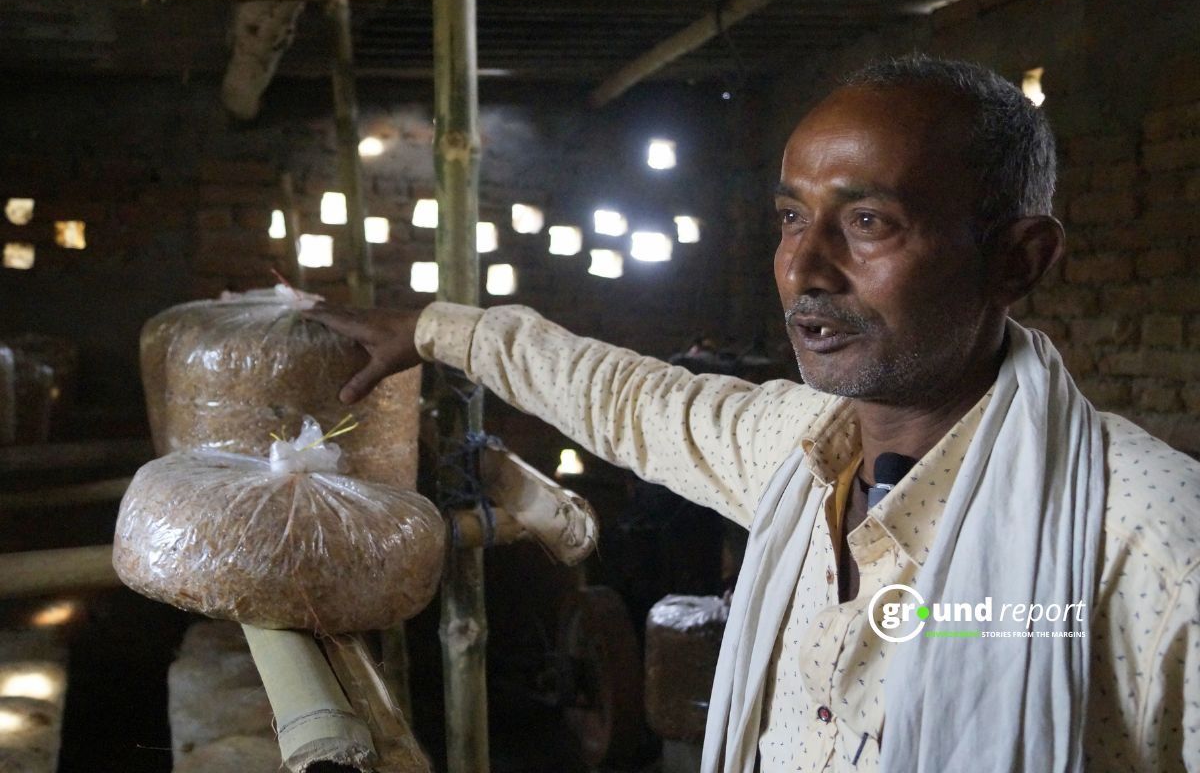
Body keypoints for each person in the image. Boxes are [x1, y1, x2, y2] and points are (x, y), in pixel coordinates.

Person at [307, 55, 1199, 772]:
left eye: (870, 222)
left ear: (1018, 259)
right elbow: (624, 395)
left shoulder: (1150, 542)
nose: (804, 269)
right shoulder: (800, 452)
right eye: (788, 217)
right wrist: (433, 328)